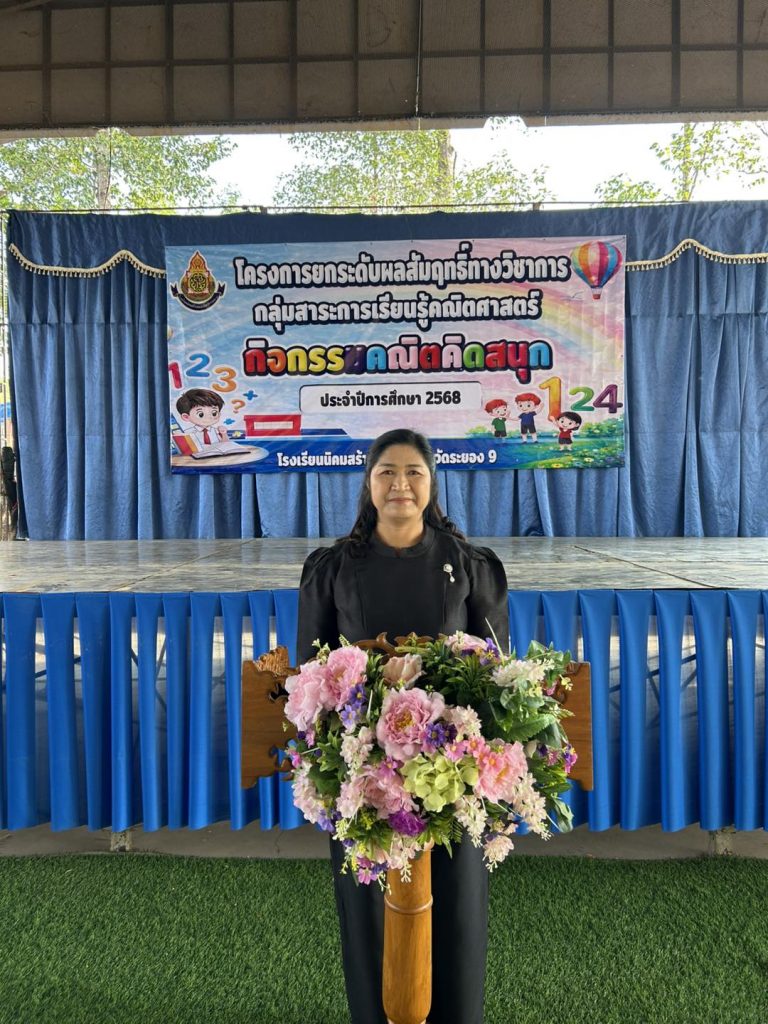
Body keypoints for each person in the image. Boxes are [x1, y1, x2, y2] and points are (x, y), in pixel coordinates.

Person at [297, 428, 509, 1024]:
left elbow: (495, 673)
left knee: (457, 909)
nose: (400, 484)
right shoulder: (333, 569)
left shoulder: (469, 565)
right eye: (387, 472)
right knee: (368, 915)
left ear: (431, 483)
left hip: (452, 777)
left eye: (414, 472)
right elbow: (309, 676)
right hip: (364, 778)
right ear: (368, 484)